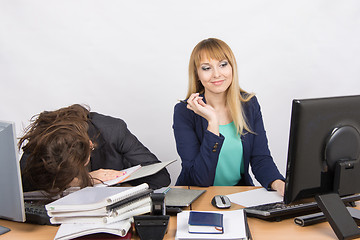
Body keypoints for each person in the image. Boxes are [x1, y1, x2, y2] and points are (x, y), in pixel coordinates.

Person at [173, 38, 285, 195]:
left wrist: (278, 183)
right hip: (196, 197)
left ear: (232, 67)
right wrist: (213, 122)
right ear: (197, 74)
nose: (217, 74)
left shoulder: (248, 104)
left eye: (223, 65)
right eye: (206, 68)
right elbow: (199, 179)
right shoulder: (184, 112)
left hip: (238, 195)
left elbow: (260, 158)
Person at [19, 104, 170, 197]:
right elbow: (23, 188)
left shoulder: (112, 130)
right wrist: (86, 181)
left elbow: (161, 178)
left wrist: (122, 189)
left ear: (91, 145)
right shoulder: (42, 140)